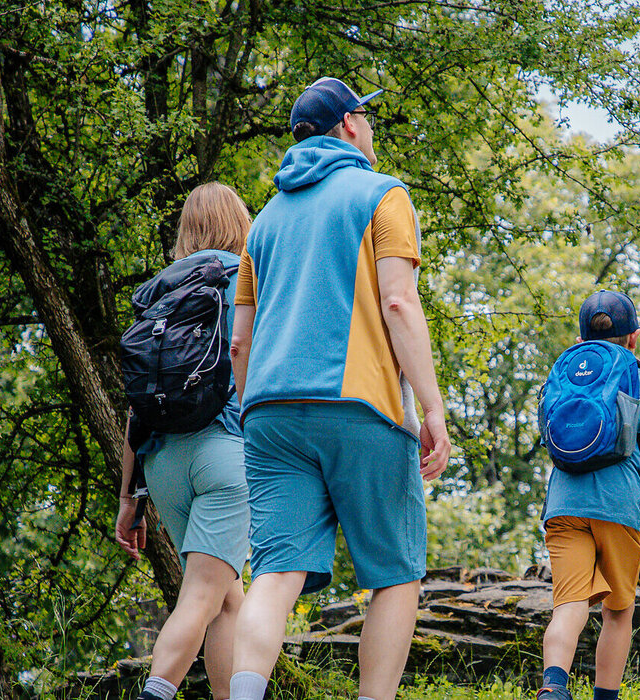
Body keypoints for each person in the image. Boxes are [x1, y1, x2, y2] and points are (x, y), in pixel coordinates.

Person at [225, 77, 452, 700]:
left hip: (269, 412)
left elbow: (238, 342)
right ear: (350, 124)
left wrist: (251, 411)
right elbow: (400, 303)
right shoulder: (384, 195)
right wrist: (431, 409)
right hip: (359, 405)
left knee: (274, 574)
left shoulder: (263, 224)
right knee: (394, 574)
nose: (372, 130)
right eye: (368, 119)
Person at [114, 182, 255, 700]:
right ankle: (155, 693)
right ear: (241, 224)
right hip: (227, 453)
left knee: (225, 601)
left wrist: (129, 497)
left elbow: (137, 403)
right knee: (200, 595)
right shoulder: (245, 277)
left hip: (166, 464)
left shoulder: (158, 293)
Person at [535, 291, 640, 700]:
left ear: (581, 341)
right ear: (633, 338)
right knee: (617, 612)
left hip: (563, 506)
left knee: (569, 603)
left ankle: (554, 686)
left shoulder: (561, 380)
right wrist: (630, 476)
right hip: (618, 509)